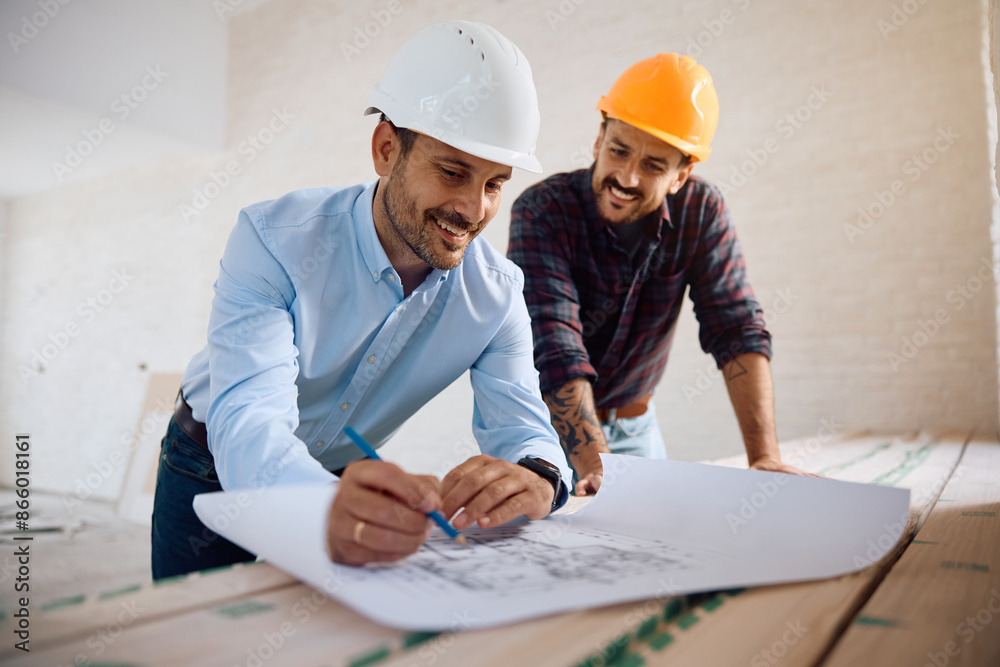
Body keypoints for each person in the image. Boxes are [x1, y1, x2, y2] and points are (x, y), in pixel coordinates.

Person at [151, 21, 570, 579]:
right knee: (197, 645)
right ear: (386, 149)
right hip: (208, 462)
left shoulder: (497, 297)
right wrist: (316, 506)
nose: (473, 209)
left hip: (345, 475)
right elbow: (249, 421)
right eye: (453, 172)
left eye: (494, 184)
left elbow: (525, 426)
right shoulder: (272, 240)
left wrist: (539, 475)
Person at [508, 53, 814, 496]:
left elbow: (736, 328)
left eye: (653, 165)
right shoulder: (542, 210)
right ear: (599, 138)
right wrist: (599, 466)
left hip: (637, 432)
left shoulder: (701, 211)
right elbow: (555, 345)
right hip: (543, 433)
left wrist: (764, 456)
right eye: (619, 150)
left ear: (681, 175)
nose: (626, 177)